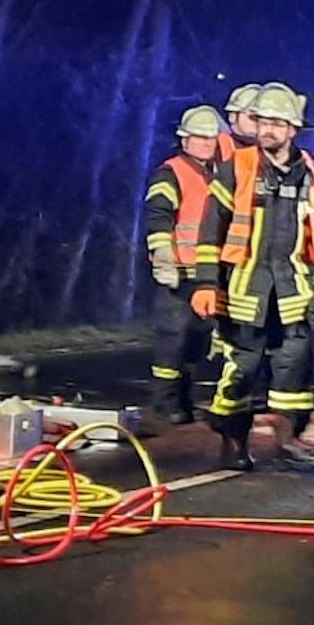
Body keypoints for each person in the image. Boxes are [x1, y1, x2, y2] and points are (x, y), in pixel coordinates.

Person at [192, 82, 314, 472]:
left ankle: (288, 443)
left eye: (276, 123)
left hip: (294, 289)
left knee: (294, 370)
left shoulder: (309, 174)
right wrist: (204, 284)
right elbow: (209, 228)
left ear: (292, 129)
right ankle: (233, 445)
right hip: (246, 288)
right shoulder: (238, 167)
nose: (267, 129)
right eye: (263, 121)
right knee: (241, 370)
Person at [142, 105, 225, 424]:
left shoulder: (215, 172)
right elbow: (159, 217)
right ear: (185, 140)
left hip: (206, 272)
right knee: (172, 337)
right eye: (199, 138)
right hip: (178, 272)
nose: (206, 143)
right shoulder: (171, 172)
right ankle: (164, 401)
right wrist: (163, 257)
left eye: (210, 138)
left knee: (197, 339)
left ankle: (184, 398)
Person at [218, 83, 262, 161]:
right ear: (232, 116)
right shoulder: (215, 148)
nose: (259, 124)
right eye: (253, 117)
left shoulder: (270, 152)